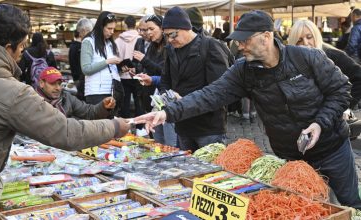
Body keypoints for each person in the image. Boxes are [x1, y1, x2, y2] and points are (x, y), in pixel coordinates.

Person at [135, 10, 361, 209]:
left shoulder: (307, 57)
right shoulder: (243, 70)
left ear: (266, 37)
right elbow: (210, 94)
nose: (239, 46)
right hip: (290, 154)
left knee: (350, 202)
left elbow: (341, 90)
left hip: (332, 148)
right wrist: (167, 112)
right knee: (303, 208)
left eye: (244, 40)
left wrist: (320, 123)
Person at [0, 3, 130, 218]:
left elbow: (85, 113)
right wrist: (114, 126)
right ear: (8, 48)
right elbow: (65, 132)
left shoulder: (62, 98)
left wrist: (101, 109)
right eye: (21, 48)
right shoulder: (12, 92)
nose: (22, 54)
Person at [159, 7, 230, 152]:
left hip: (208, 127)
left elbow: (220, 90)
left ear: (185, 28)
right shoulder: (170, 50)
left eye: (172, 35)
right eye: (166, 36)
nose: (170, 39)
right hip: (182, 124)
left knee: (212, 171)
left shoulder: (211, 46)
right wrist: (165, 95)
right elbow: (165, 80)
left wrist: (184, 99)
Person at [288, 19, 361, 140]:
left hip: (333, 126)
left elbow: (358, 76)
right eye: (299, 40)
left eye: (309, 37)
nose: (305, 43)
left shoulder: (332, 55)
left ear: (316, 36)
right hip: (306, 128)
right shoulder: (292, 63)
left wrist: (345, 106)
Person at [134, 14, 178, 146]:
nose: (148, 32)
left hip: (169, 98)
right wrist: (143, 75)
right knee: (157, 138)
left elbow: (164, 73)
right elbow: (155, 72)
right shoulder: (152, 46)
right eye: (146, 29)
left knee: (170, 140)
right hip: (155, 98)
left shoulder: (170, 46)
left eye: (151, 29)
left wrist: (145, 61)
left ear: (162, 28)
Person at [80, 11, 122, 111]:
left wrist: (121, 67)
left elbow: (109, 68)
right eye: (109, 28)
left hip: (112, 90)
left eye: (113, 29)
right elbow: (86, 69)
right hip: (96, 93)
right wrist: (107, 61)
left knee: (111, 124)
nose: (112, 32)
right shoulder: (88, 42)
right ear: (100, 26)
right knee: (99, 125)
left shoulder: (109, 43)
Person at [37, 66, 116, 119]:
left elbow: (88, 112)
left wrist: (104, 106)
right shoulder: (33, 101)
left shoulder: (66, 97)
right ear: (41, 83)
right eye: (52, 83)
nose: (58, 88)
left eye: (59, 84)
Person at [115, 15, 141, 119]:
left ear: (125, 25)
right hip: (137, 74)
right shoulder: (140, 39)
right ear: (135, 24)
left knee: (124, 102)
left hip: (122, 74)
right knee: (139, 101)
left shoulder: (117, 40)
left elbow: (115, 57)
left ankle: (125, 127)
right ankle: (140, 127)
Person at [69, 18, 93, 101]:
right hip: (84, 79)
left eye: (80, 32)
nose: (80, 35)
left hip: (84, 79)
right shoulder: (89, 42)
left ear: (83, 30)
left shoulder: (86, 43)